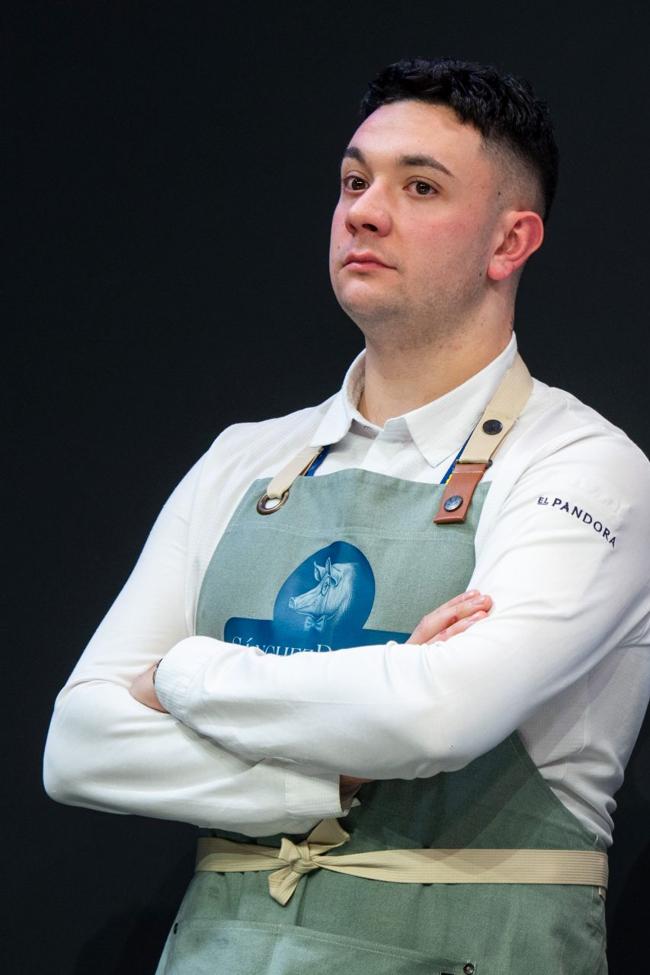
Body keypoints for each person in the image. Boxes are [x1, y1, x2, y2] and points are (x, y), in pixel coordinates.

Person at [44, 57, 650, 974]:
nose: (364, 210)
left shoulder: (581, 464)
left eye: (420, 186)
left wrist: (182, 672)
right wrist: (337, 771)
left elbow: (440, 717)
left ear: (510, 241)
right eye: (355, 181)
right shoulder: (242, 456)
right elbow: (79, 745)